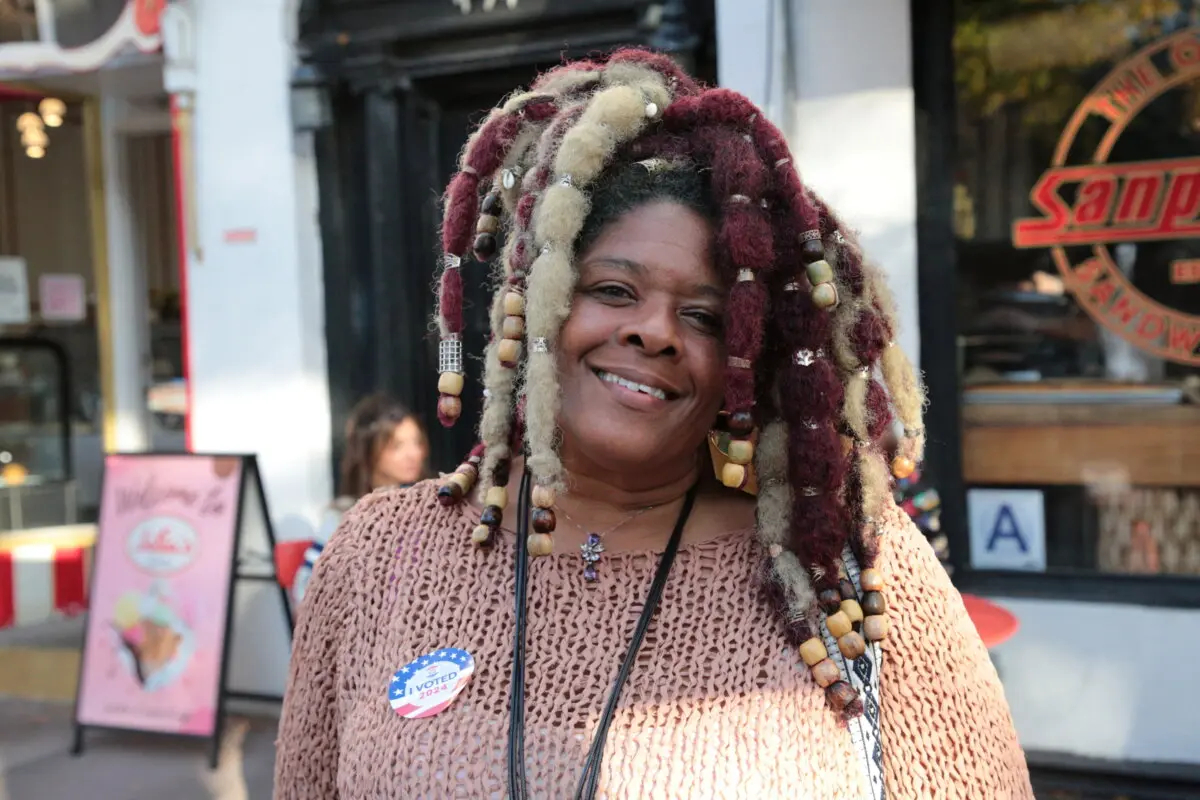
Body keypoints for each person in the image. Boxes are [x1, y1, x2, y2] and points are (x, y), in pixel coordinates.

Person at [276, 50, 1032, 799]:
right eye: (614, 289)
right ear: (540, 304)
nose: (655, 331)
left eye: (703, 315)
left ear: (747, 357)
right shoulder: (379, 559)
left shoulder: (849, 574)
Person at [289, 393, 429, 605]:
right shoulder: (343, 517)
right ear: (368, 450)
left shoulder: (433, 506)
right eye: (397, 446)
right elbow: (306, 590)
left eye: (416, 442)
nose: (413, 454)